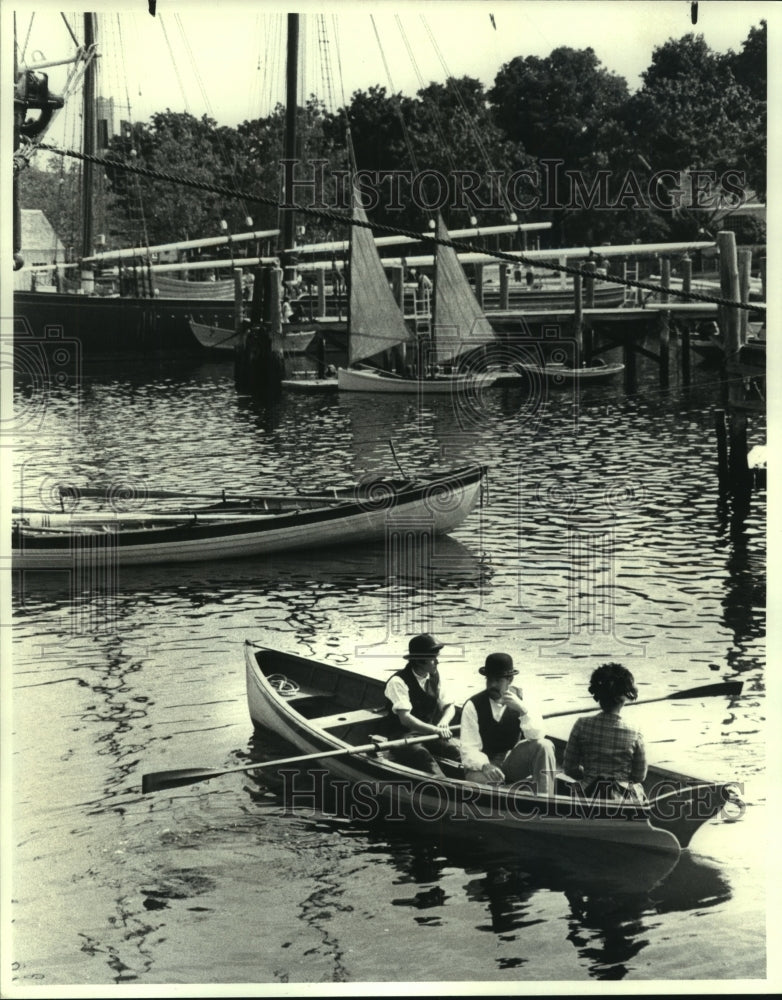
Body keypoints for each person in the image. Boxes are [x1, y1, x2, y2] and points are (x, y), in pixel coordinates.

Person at [460, 653, 557, 794]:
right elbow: (469, 749)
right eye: (489, 680)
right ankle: (520, 790)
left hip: (510, 762)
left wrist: (523, 711)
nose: (492, 685)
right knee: (489, 785)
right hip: (481, 768)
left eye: (498, 680)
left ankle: (544, 797)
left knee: (545, 746)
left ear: (510, 680)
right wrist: (485, 765)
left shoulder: (523, 699)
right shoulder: (472, 705)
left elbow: (537, 735)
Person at [562, 662, 647, 800]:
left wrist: (590, 776)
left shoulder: (581, 724)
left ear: (598, 696)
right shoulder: (635, 731)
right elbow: (639, 776)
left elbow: (570, 768)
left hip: (587, 796)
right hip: (622, 800)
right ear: (623, 698)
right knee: (638, 789)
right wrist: (621, 779)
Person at [383, 633, 461, 777]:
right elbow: (405, 719)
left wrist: (443, 723)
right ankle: (443, 784)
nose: (437, 662)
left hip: (428, 732)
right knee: (423, 756)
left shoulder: (434, 676)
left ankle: (473, 780)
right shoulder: (398, 681)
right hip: (402, 736)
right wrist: (435, 730)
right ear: (419, 661)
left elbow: (449, 706)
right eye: (433, 658)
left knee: (455, 751)